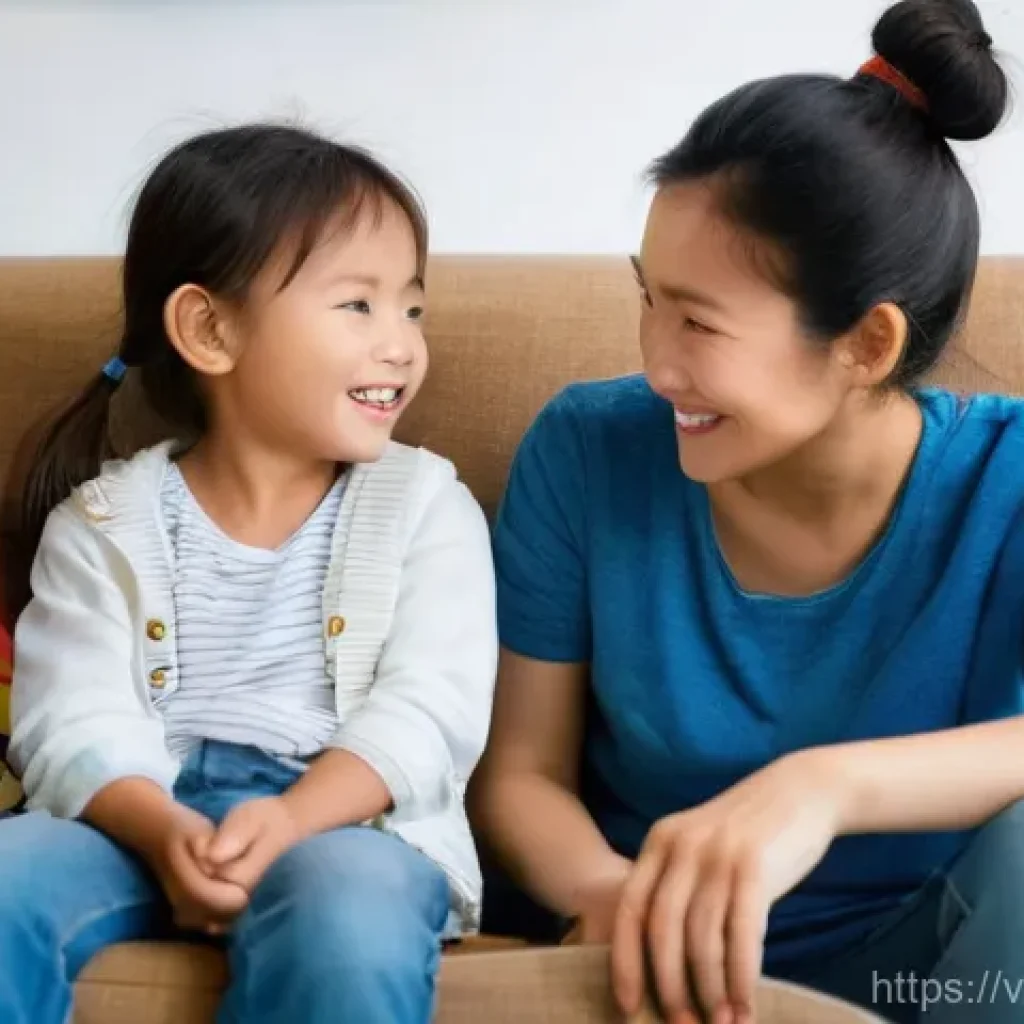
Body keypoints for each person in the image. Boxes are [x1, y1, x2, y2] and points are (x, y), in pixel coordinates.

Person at [471, 2, 1022, 1022]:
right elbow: (519, 775)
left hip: (937, 967)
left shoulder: (1007, 476)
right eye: (648, 299)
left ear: (866, 345)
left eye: (699, 322)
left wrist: (821, 788)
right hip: (645, 961)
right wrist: (612, 898)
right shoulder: (587, 449)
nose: (655, 362)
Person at [0, 123, 497, 1024]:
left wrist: (295, 817)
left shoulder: (429, 508)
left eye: (412, 309)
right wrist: (163, 831)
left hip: (350, 826)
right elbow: (70, 717)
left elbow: (431, 712)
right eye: (359, 305)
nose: (401, 345)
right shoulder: (100, 525)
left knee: (349, 919)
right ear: (209, 329)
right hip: (136, 821)